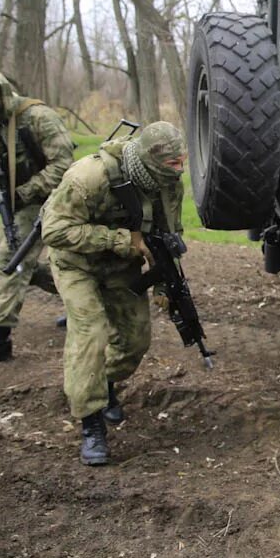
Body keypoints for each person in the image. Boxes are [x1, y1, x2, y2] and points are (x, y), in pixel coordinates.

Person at [41, 121, 186, 466]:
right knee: (90, 333)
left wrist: (166, 278)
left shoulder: (168, 184)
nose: (179, 170)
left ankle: (102, 383)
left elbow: (170, 230)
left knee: (135, 339)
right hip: (77, 264)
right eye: (172, 164)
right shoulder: (89, 177)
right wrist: (120, 241)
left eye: (182, 162)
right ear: (150, 160)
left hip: (123, 268)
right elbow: (54, 230)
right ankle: (91, 424)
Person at [0, 69, 74, 370]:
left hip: (54, 197)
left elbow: (64, 164)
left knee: (12, 258)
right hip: (16, 199)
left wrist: (26, 191)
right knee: (24, 265)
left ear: (4, 94)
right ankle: (86, 301)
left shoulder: (37, 117)